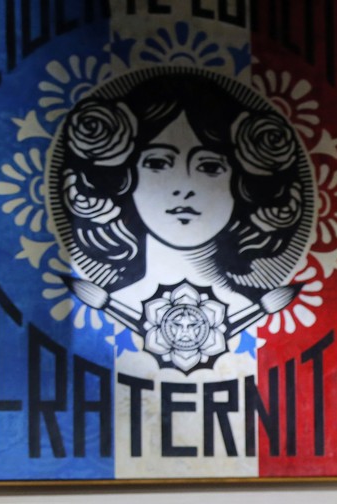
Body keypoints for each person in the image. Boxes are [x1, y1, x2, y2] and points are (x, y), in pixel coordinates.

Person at [53, 70, 315, 319]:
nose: (185, 187)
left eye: (210, 166)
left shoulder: (258, 306)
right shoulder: (107, 302)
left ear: (241, 185)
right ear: (125, 178)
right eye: (157, 163)